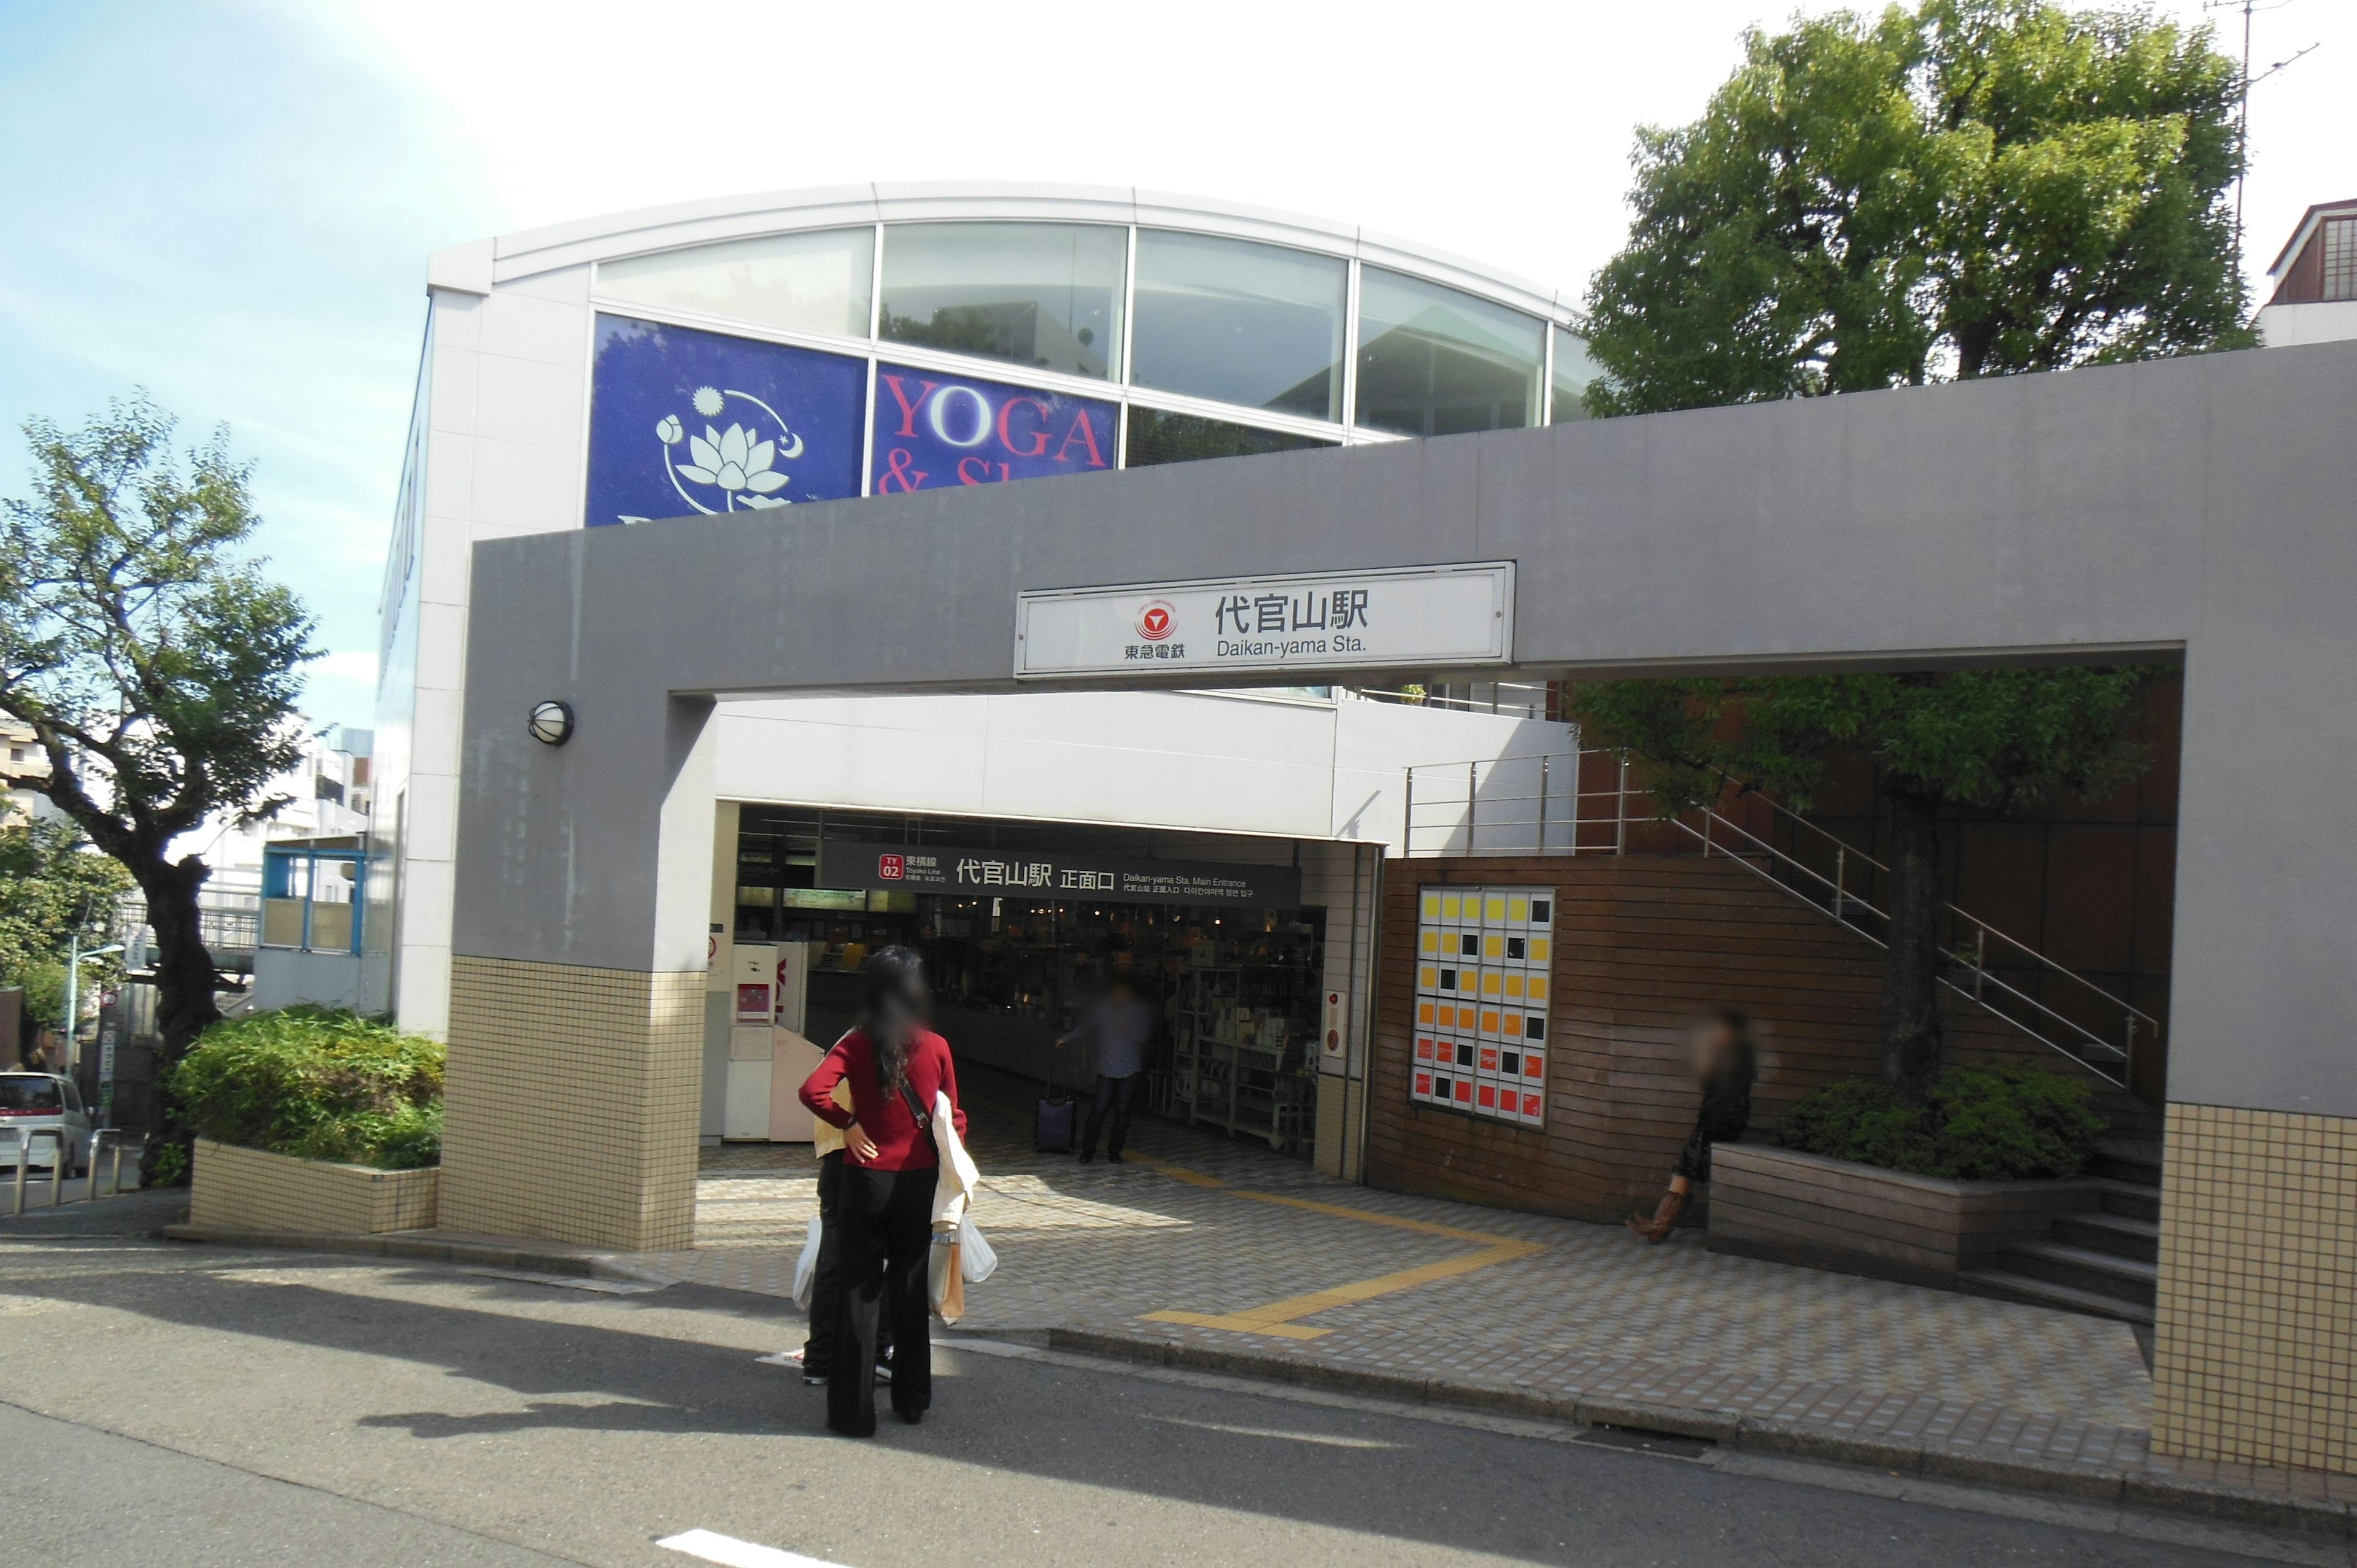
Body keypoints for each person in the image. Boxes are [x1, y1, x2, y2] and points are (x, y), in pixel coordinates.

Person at [799, 948, 967, 1436]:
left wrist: (849, 1124)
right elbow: (954, 1116)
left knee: (859, 1291)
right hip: (917, 1180)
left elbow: (813, 1091)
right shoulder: (935, 1045)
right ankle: (911, 1399)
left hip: (864, 1177)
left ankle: (851, 1414)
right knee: (909, 1291)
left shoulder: (856, 1043)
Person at [796, 1072, 892, 1388]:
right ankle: (878, 1350)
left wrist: (844, 1123)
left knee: (833, 1259)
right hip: (872, 1154)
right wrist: (850, 1123)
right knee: (891, 1254)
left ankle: (819, 1359)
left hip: (835, 1159)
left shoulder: (842, 1046)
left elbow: (814, 1091)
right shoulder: (881, 1043)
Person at [1628, 1009, 1757, 1243]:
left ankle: (1660, 1228)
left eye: (1720, 1028)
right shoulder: (1731, 1054)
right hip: (1713, 1120)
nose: (1715, 1032)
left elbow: (1711, 1080)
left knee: (1686, 1171)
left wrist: (1708, 1050)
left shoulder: (1736, 1056)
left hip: (1720, 1123)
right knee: (1684, 1171)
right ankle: (1659, 1227)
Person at [1058, 973, 1153, 1164]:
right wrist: (1066, 1039)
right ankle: (1088, 1151)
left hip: (1129, 1068)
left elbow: (1143, 1037)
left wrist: (1128, 1028)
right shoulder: (1103, 1007)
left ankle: (1115, 1151)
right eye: (1116, 993)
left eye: (1123, 993)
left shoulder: (1138, 1010)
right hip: (1106, 1068)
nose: (1119, 997)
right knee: (1099, 1109)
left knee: (1123, 1111)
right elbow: (1086, 1025)